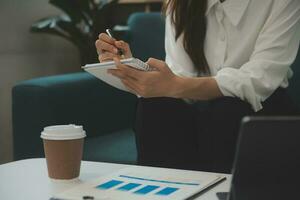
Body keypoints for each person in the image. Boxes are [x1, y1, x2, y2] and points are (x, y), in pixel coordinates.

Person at [95, 0, 300, 173]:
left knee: (226, 109)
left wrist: (174, 85)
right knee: (155, 106)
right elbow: (178, 75)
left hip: (260, 108)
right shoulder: (181, 4)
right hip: (200, 108)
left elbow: (259, 78)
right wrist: (130, 68)